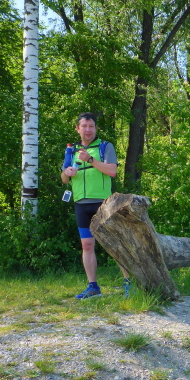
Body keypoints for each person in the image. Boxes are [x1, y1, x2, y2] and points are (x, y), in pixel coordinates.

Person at [61, 112, 131, 299]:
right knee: (87, 245)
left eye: (91, 126)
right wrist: (67, 173)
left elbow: (112, 171)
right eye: (84, 126)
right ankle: (93, 287)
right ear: (78, 129)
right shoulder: (71, 150)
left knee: (116, 243)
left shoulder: (105, 146)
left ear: (96, 128)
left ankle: (129, 284)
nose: (88, 130)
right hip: (81, 204)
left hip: (103, 203)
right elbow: (64, 179)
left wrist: (90, 160)